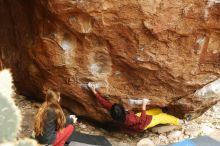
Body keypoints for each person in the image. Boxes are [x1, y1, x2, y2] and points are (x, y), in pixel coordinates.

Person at [88, 82, 186, 133]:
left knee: (155, 111)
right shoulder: (130, 119)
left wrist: (94, 91)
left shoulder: (116, 114)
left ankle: (161, 110)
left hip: (137, 118)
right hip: (143, 124)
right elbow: (142, 120)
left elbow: (104, 103)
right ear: (123, 111)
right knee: (161, 117)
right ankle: (182, 122)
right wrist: (144, 104)